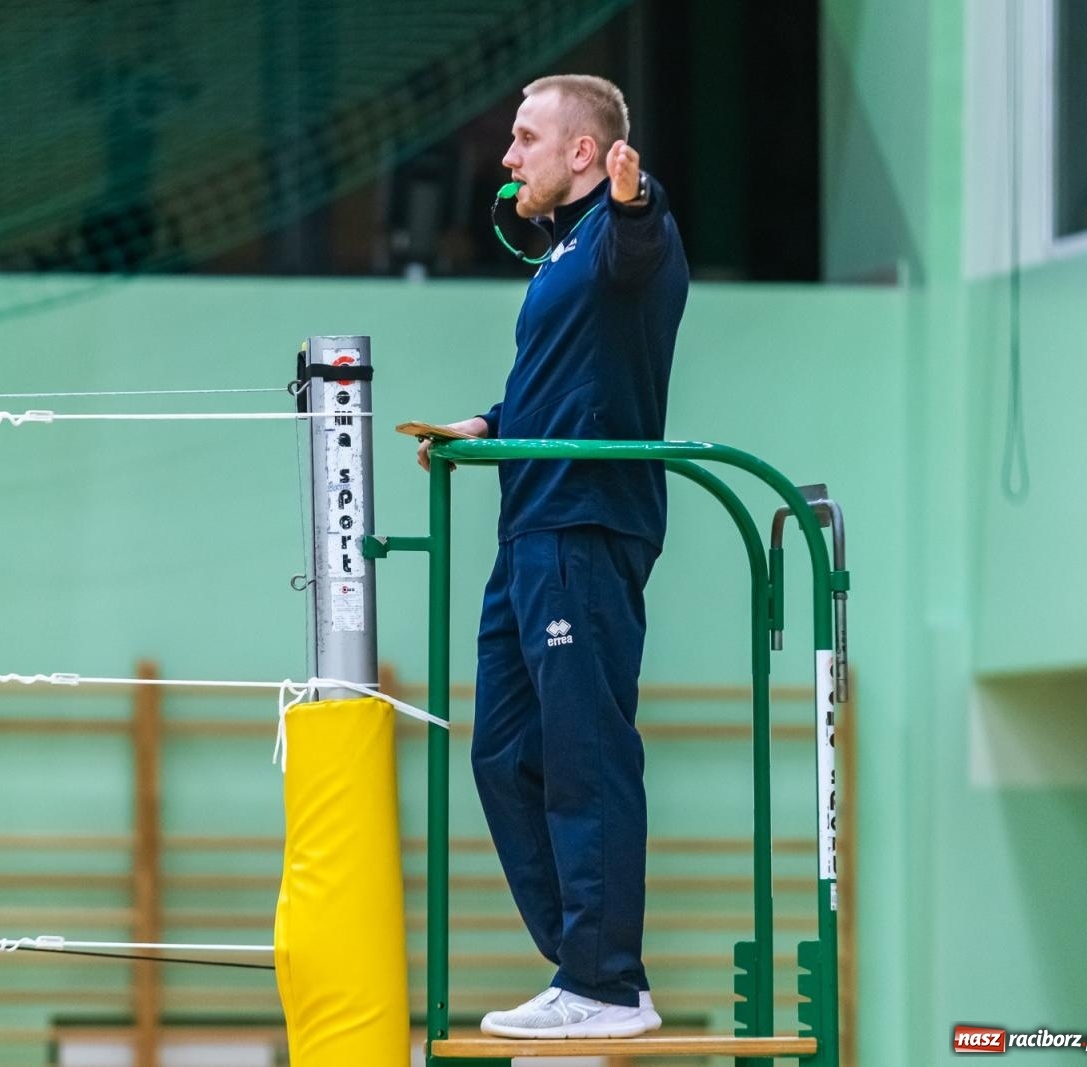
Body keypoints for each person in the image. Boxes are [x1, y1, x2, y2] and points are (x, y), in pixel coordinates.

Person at [417, 74, 689, 1039]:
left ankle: (608, 983)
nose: (507, 156)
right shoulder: (562, 256)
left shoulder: (622, 239)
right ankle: (582, 964)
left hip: (583, 525)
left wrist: (634, 196)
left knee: (586, 756)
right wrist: (487, 424)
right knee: (501, 755)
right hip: (525, 527)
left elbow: (642, 246)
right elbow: (558, 378)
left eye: (525, 137)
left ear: (584, 152)